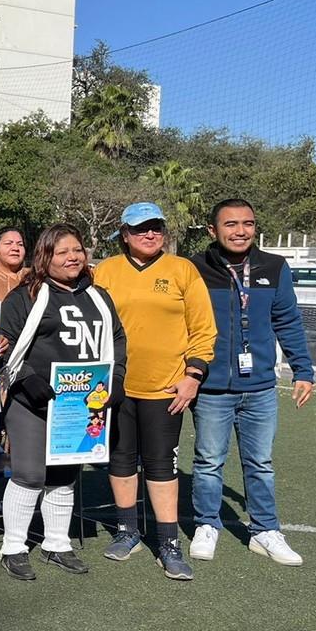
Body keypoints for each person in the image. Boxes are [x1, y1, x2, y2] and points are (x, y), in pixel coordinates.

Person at [93, 202, 217, 580]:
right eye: (141, 228)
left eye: (156, 227)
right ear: (124, 234)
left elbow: (204, 329)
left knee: (163, 465)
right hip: (115, 387)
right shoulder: (107, 270)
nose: (150, 234)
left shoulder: (183, 270)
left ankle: (168, 543)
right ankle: (127, 530)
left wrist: (193, 374)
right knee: (121, 459)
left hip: (166, 387)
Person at [0, 223, 127, 581]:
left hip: (81, 401)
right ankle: (13, 547)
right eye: (62, 251)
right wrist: (27, 379)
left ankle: (56, 543)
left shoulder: (99, 296)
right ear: (45, 256)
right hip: (32, 400)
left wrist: (114, 381)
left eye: (77, 250)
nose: (72, 257)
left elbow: (117, 340)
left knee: (65, 472)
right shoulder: (24, 296)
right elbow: (1, 347)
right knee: (29, 472)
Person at [187, 199, 313, 565]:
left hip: (259, 388)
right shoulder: (193, 268)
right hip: (211, 388)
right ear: (213, 230)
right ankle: (207, 524)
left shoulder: (274, 267)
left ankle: (265, 531)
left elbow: (288, 321)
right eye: (230, 224)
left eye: (247, 223)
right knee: (209, 461)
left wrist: (303, 370)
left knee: (260, 462)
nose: (240, 231)